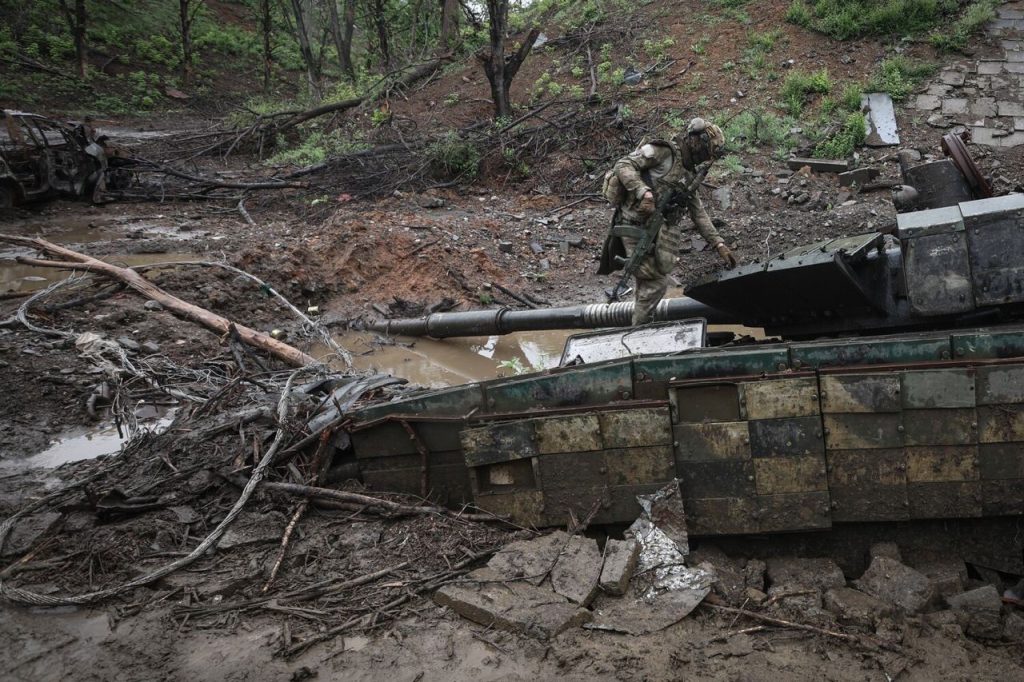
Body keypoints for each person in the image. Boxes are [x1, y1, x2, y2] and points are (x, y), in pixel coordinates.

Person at [599, 117, 737, 326]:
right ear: (695, 141)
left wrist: (719, 244)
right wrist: (642, 191)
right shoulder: (664, 152)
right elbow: (624, 164)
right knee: (655, 283)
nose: (705, 158)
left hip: (656, 230)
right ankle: (637, 334)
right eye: (706, 151)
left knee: (649, 280)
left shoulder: (689, 174)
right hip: (633, 224)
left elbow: (698, 212)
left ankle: (642, 321)